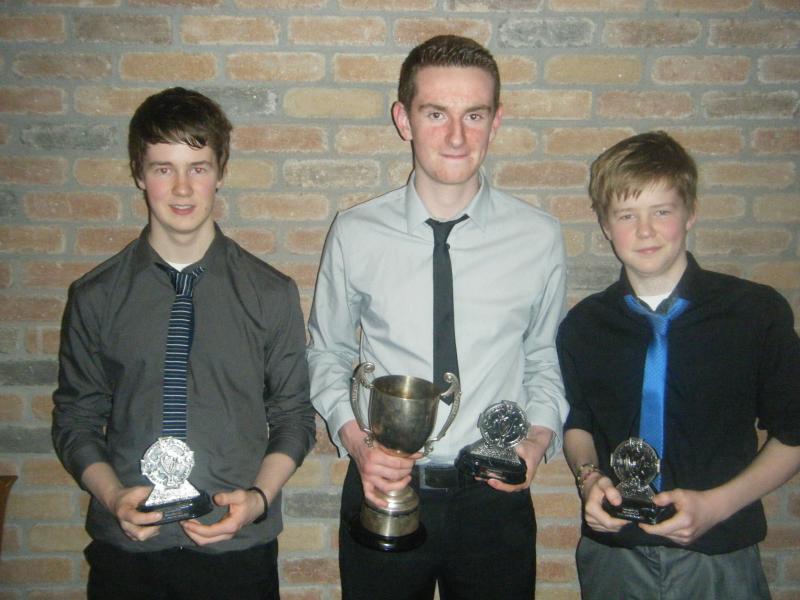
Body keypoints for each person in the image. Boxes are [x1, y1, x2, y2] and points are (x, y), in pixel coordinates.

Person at [307, 35, 568, 600]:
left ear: (496, 121)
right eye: (435, 114)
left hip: (494, 498)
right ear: (403, 119)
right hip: (383, 485)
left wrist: (538, 438)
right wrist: (357, 443)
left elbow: (543, 355)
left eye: (474, 115)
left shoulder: (539, 237)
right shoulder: (355, 233)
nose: (456, 136)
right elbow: (327, 351)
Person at [52, 87, 316, 600]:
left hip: (237, 552)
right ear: (138, 173)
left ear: (220, 172)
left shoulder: (270, 293)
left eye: (197, 167)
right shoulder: (95, 296)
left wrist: (258, 500)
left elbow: (293, 417)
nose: (181, 188)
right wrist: (113, 497)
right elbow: (75, 419)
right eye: (162, 168)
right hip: (128, 554)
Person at [558, 131, 800, 599]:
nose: (645, 231)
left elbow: (794, 432)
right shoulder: (584, 325)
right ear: (605, 225)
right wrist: (589, 480)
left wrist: (717, 506)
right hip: (614, 556)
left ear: (691, 213)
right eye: (627, 215)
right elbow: (579, 423)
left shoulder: (754, 313)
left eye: (662, 212)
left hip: (720, 553)